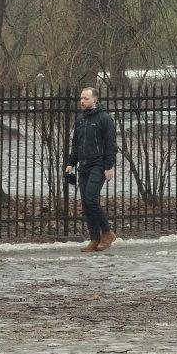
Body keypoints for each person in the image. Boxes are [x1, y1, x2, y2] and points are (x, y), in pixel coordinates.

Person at [66, 86, 116, 252]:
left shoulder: (104, 118)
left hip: (99, 165)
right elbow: (76, 144)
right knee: (86, 204)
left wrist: (109, 166)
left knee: (91, 199)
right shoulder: (80, 120)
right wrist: (71, 163)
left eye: (85, 98)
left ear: (95, 99)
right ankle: (95, 238)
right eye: (81, 98)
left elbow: (111, 144)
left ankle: (107, 233)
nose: (82, 101)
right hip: (83, 166)